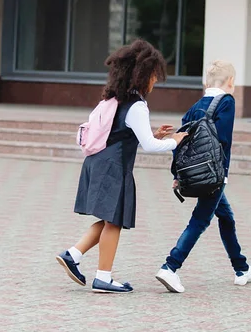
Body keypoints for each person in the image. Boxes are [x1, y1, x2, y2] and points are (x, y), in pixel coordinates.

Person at [56, 39, 187, 294]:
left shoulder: (115, 98)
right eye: (153, 76)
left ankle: (72, 255)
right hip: (113, 169)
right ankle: (103, 277)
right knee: (113, 222)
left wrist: (155, 136)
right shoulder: (137, 105)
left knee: (108, 220)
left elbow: (121, 135)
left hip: (98, 162)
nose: (155, 82)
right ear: (142, 75)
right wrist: (174, 141)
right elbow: (148, 146)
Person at [155, 60, 251, 293]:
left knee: (226, 218)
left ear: (206, 82)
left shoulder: (196, 106)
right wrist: (224, 175)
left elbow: (180, 142)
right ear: (231, 81)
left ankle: (241, 268)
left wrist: (177, 174)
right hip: (214, 175)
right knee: (199, 221)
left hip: (194, 173)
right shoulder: (227, 102)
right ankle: (170, 267)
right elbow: (224, 141)